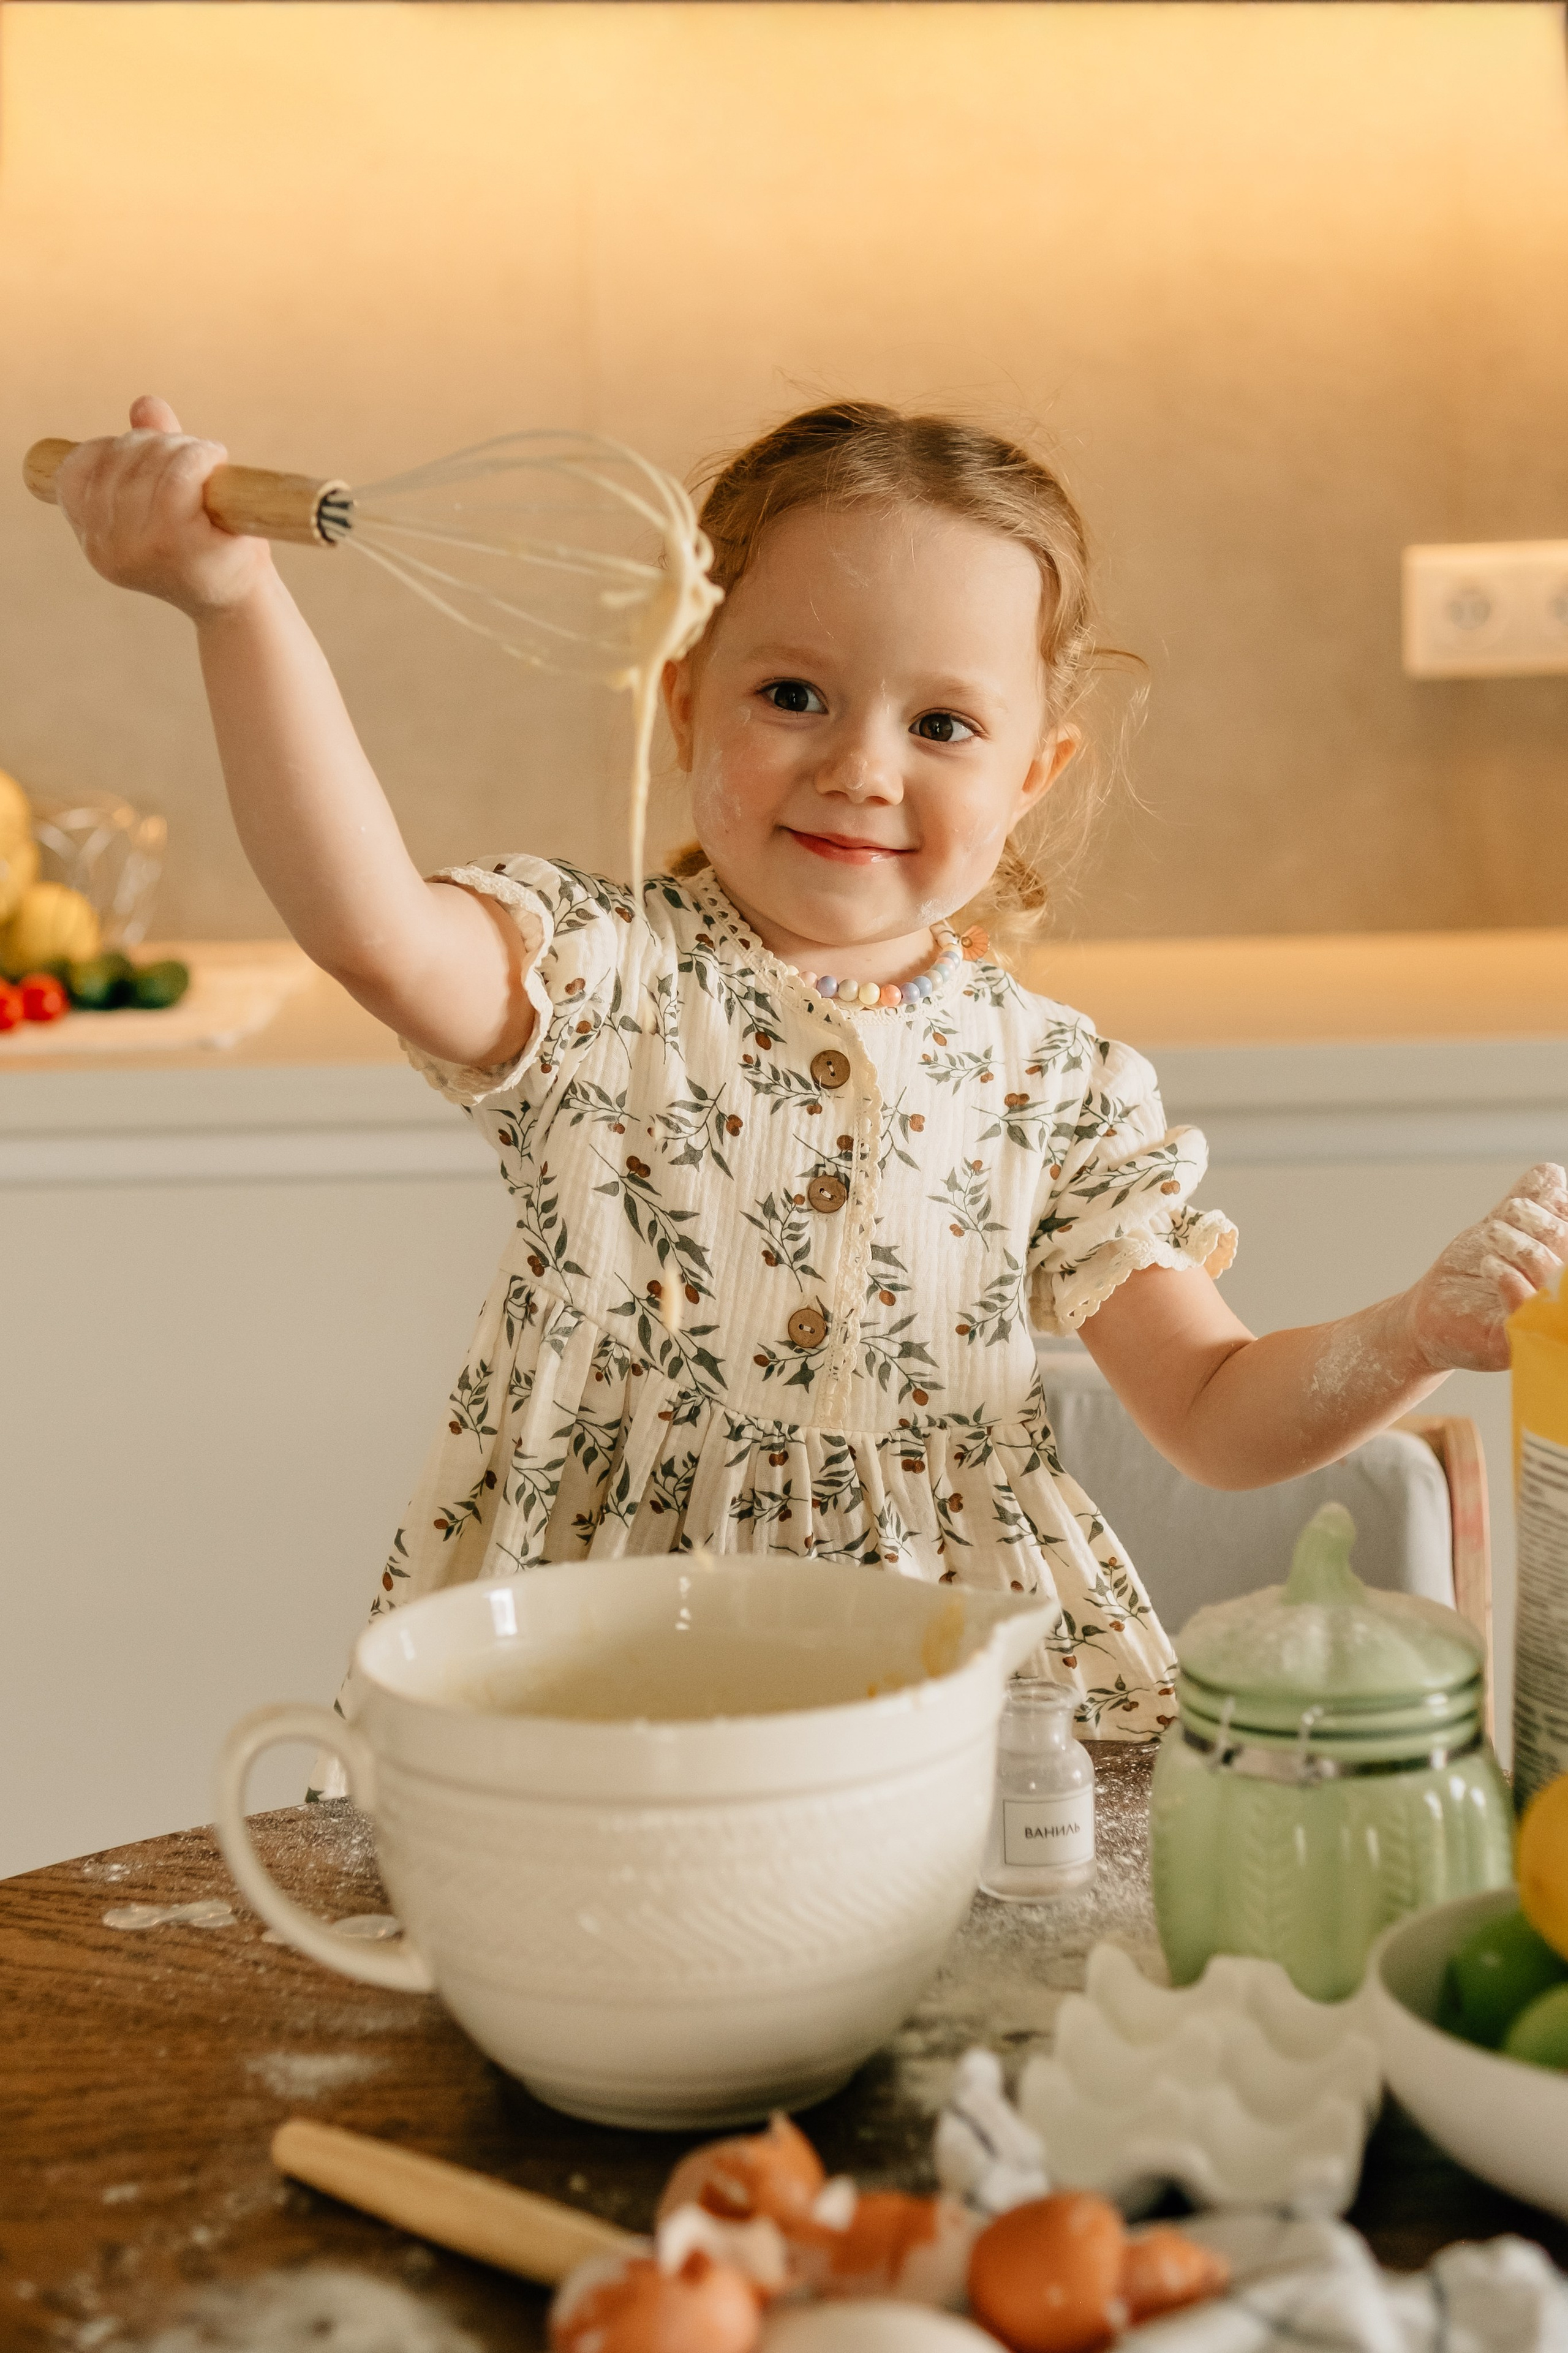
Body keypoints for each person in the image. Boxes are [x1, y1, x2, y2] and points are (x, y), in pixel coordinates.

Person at [55, 394, 1568, 1746]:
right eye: (794, 695)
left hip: (943, 1698)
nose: (861, 765)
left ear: (1034, 771)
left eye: (942, 722)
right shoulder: (600, 976)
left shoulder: (1052, 1085)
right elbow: (374, 928)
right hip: (601, 1670)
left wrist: (1415, 1325)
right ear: (683, 694)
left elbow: (1220, 1412)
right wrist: (231, 604)